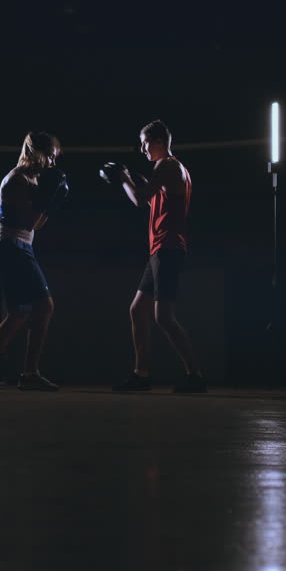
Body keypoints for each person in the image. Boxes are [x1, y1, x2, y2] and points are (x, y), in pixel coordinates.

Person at [101, 120, 205, 393]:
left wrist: (123, 177)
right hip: (160, 248)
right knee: (138, 310)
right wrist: (132, 180)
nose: (143, 148)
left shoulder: (167, 165)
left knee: (164, 317)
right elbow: (151, 199)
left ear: (158, 142)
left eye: (145, 142)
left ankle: (195, 375)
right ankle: (142, 374)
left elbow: (139, 199)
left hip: (168, 247)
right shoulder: (172, 169)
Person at [0, 131, 68, 391]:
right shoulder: (17, 179)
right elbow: (30, 221)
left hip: (21, 245)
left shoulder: (32, 179)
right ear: (38, 153)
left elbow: (39, 225)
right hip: (12, 245)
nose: (52, 163)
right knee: (43, 306)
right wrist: (49, 201)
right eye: (50, 157)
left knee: (19, 312)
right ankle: (29, 373)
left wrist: (51, 203)